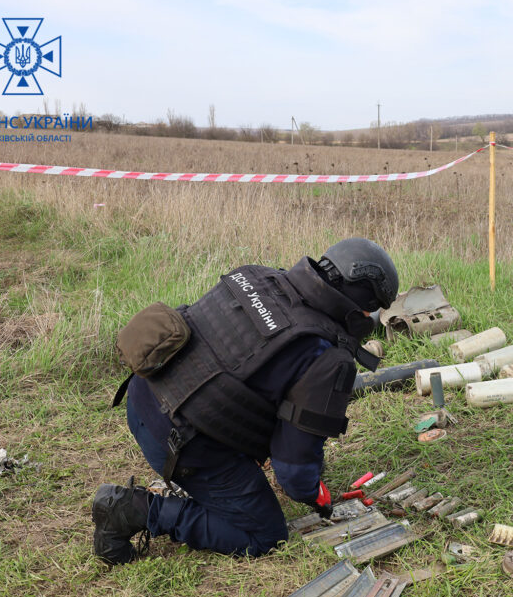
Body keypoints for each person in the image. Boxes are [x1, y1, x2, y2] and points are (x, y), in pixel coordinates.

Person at [91, 238, 398, 564]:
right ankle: (132, 510)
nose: (371, 316)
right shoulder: (327, 358)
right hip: (177, 440)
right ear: (358, 304)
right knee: (264, 535)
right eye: (372, 308)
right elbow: (293, 474)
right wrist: (313, 493)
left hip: (143, 394)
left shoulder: (258, 276)